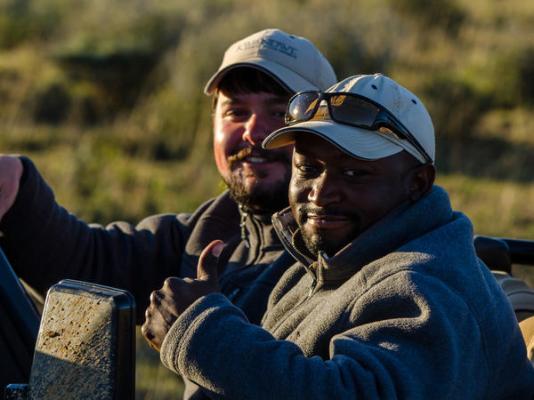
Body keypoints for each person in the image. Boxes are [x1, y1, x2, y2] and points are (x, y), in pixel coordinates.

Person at [143, 74, 534, 399]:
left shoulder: (427, 287)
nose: (320, 192)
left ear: (417, 183)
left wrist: (201, 332)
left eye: (354, 173)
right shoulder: (322, 264)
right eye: (308, 168)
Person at [0, 29, 336, 397]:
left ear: (327, 133)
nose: (254, 132)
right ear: (212, 124)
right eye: (236, 112)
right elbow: (91, 264)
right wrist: (17, 190)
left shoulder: (349, 253)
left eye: (279, 112)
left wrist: (199, 328)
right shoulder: (211, 229)